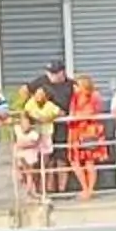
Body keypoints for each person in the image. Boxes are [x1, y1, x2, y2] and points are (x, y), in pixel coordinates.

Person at [35, 58, 75, 196]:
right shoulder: (42, 83)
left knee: (62, 158)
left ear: (62, 72)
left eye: (54, 72)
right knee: (48, 159)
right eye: (49, 72)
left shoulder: (71, 85)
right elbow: (27, 95)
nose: (51, 75)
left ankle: (63, 189)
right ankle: (49, 188)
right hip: (47, 128)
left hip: (65, 127)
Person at [66, 73, 108, 200]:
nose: (74, 87)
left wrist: (77, 115)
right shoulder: (75, 97)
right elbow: (72, 113)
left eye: (77, 84)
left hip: (88, 131)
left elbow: (91, 112)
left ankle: (89, 189)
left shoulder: (93, 96)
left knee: (89, 161)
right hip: (75, 131)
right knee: (75, 161)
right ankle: (85, 187)